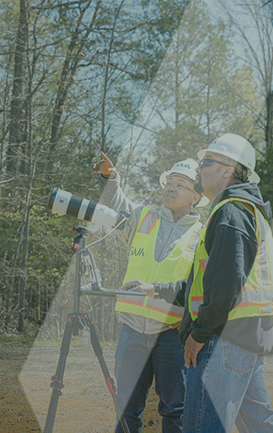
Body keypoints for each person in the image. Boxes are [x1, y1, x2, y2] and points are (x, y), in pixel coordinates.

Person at [122, 133, 273, 433]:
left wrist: (199, 333)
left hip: (224, 336)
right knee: (260, 422)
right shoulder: (240, 211)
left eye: (206, 162)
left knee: (201, 426)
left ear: (227, 169)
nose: (198, 169)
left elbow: (225, 286)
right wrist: (156, 289)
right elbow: (205, 283)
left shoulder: (230, 212)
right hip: (244, 335)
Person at [92, 153, 206, 433]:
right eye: (169, 182)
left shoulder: (202, 234)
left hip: (173, 334)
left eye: (180, 184)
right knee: (125, 407)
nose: (170, 187)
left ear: (195, 197)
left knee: (175, 409)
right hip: (132, 330)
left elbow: (201, 288)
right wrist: (110, 178)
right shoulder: (143, 218)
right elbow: (115, 203)